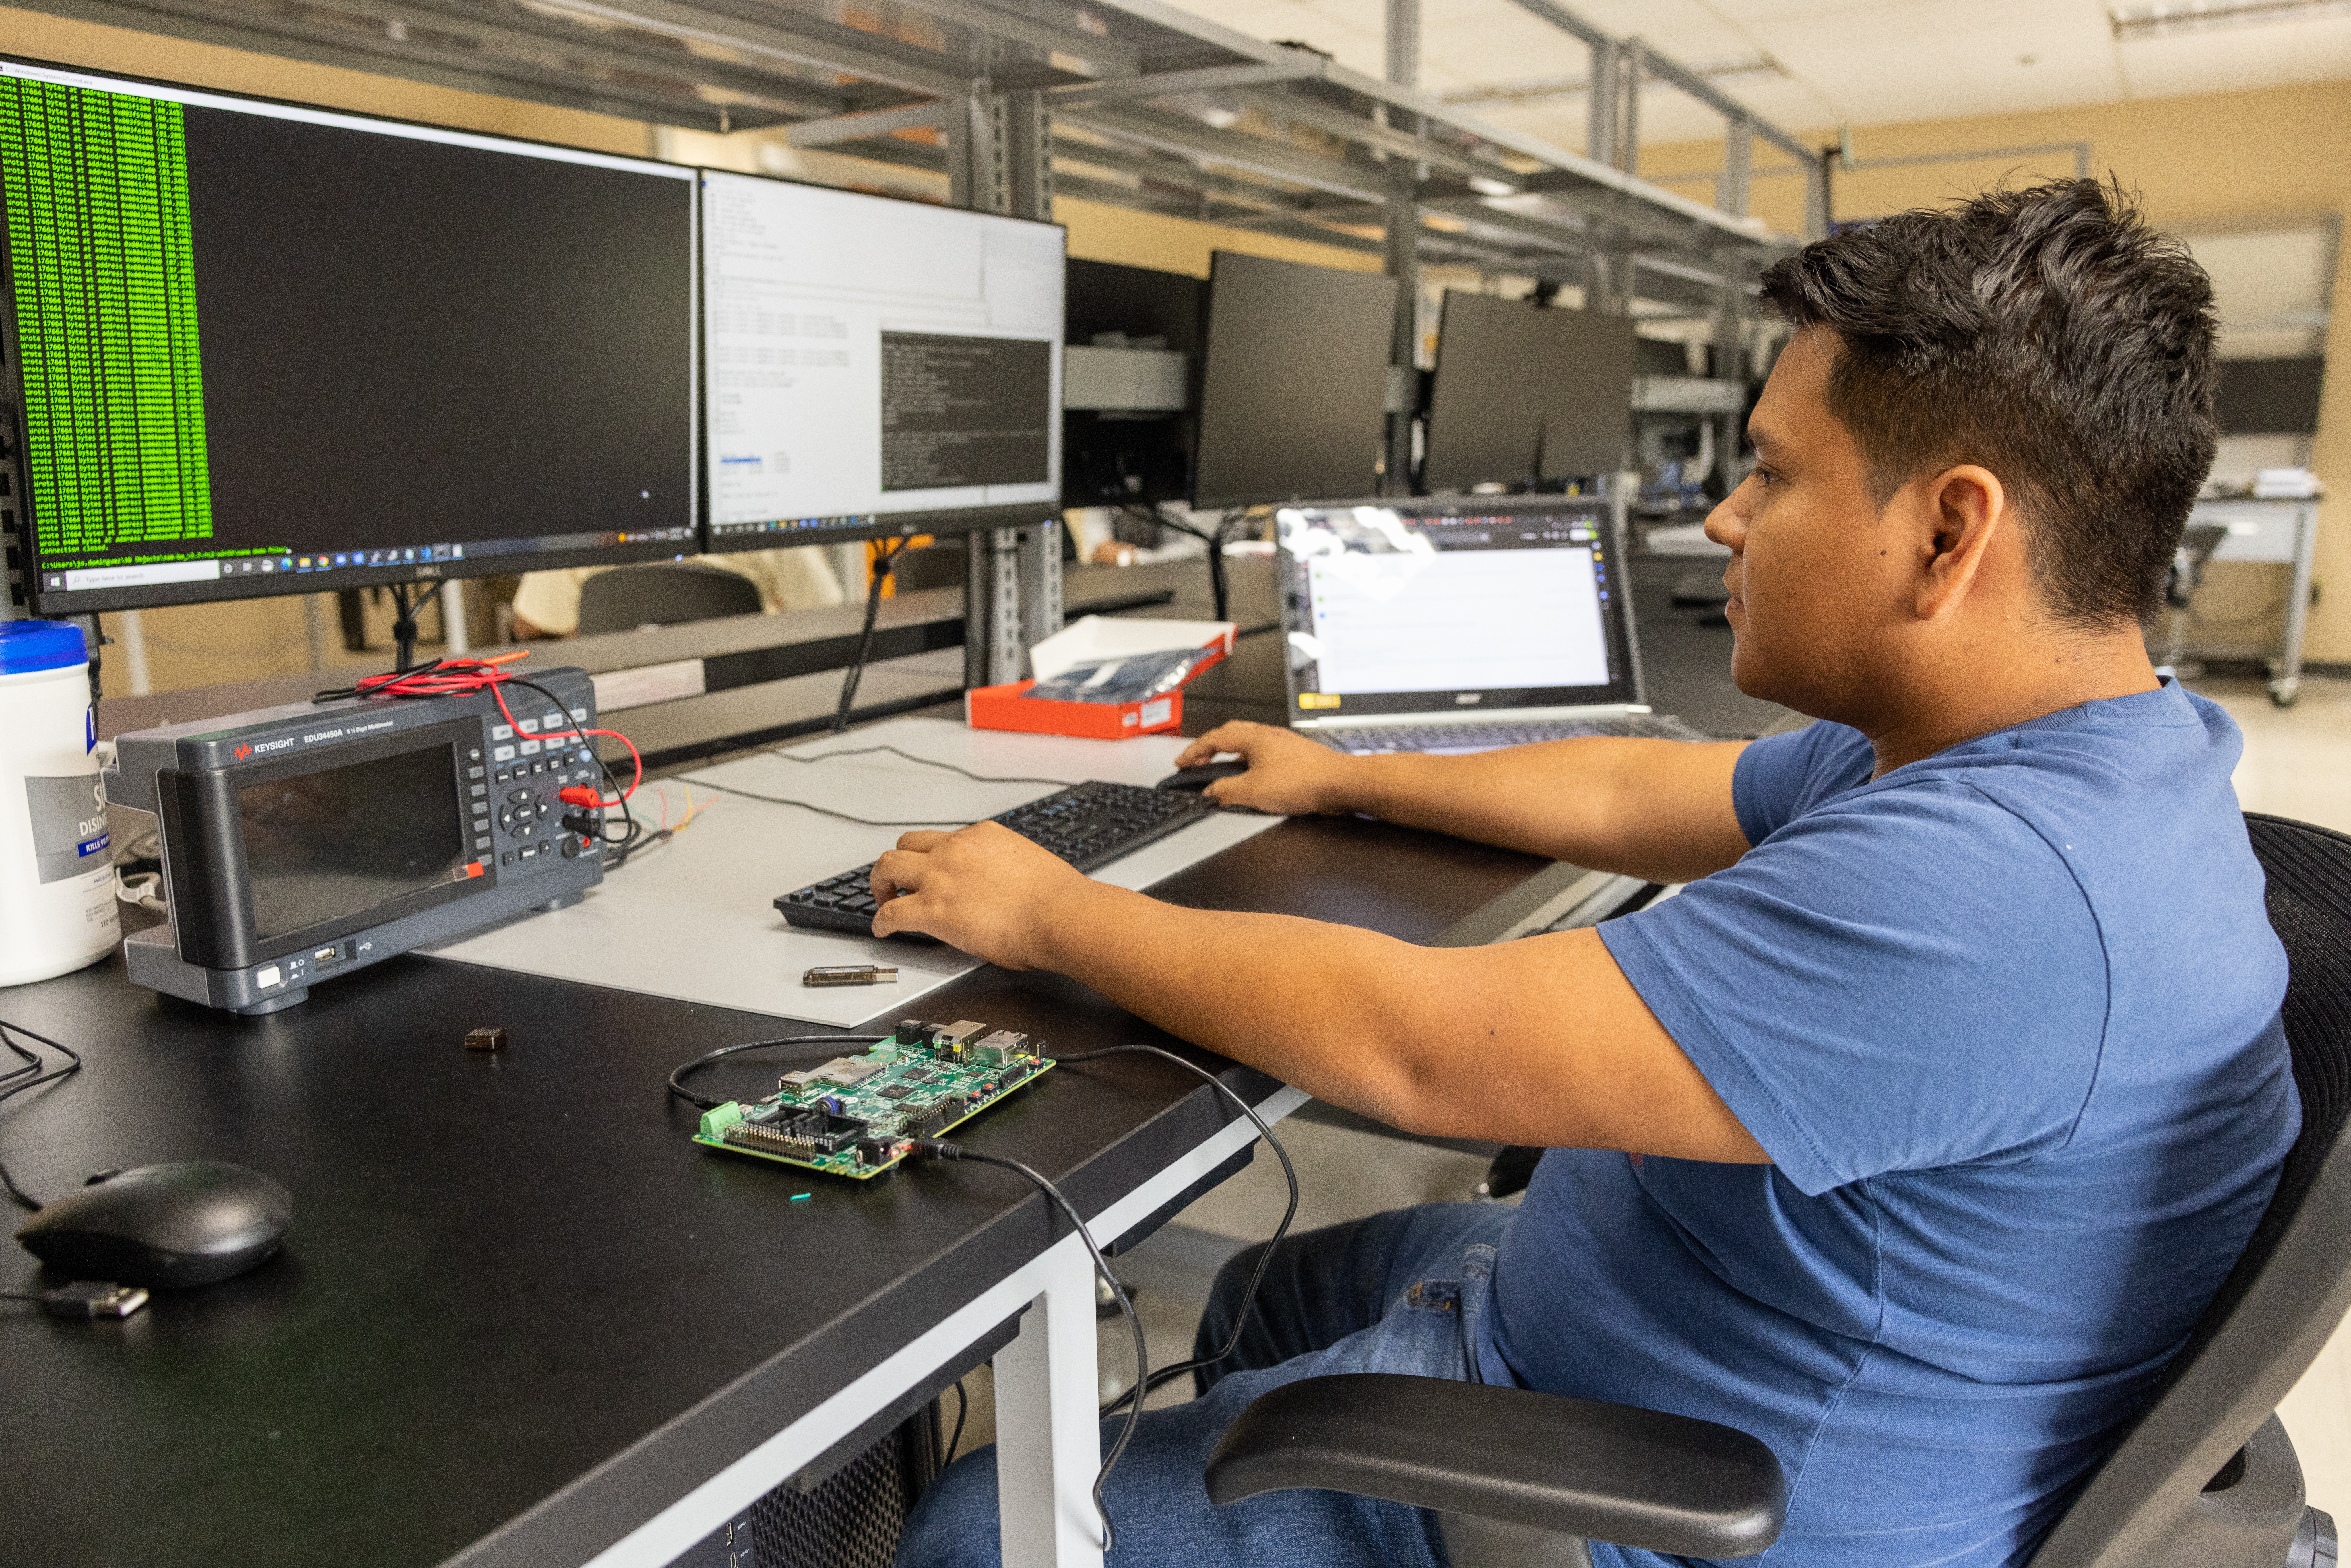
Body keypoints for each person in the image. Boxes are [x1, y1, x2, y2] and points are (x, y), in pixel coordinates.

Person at [887, 180, 2299, 1568]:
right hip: (1671, 1310)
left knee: (979, 1526)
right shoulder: (2075, 750)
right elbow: (1631, 789)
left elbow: (1415, 1049)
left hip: (1670, 1499)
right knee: (1266, 1288)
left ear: (1947, 534)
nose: (1727, 518)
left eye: (1773, 473)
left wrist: (1051, 911)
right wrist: (1345, 773)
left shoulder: (1986, 893)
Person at [508, 545, 844, 638]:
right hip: (746, 709)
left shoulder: (585, 517)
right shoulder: (759, 511)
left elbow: (531, 625)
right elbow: (827, 613)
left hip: (615, 721)